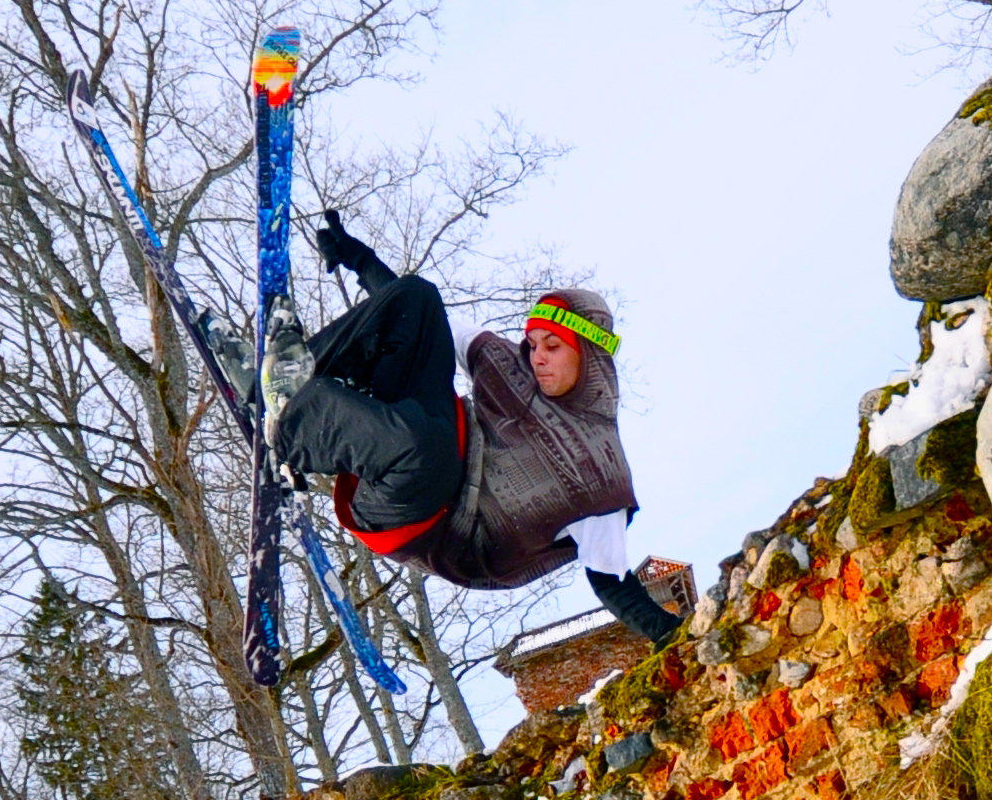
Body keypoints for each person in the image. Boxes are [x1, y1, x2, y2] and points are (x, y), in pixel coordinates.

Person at [260, 220, 689, 643]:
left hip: (434, 524)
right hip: (416, 449)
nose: (537, 357)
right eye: (533, 344)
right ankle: (288, 383)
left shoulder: (600, 474)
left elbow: (613, 580)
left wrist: (672, 637)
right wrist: (360, 259)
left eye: (553, 347)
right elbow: (423, 328)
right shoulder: (508, 366)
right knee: (419, 296)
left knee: (425, 448)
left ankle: (293, 427)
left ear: (589, 354)